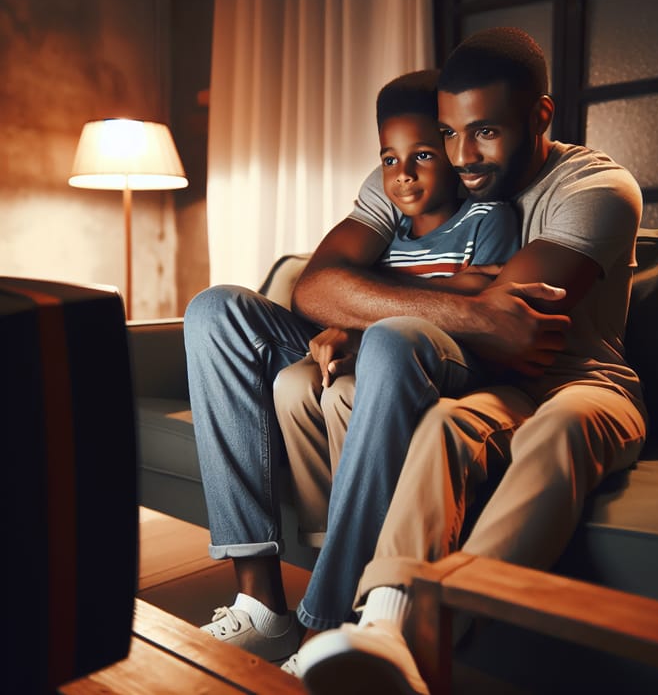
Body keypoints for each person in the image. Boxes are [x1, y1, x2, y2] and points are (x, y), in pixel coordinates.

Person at [292, 27, 647, 695]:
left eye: (484, 131)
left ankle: (426, 640)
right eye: (450, 134)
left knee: (560, 427)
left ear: (540, 115)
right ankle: (380, 625)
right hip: (496, 384)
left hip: (585, 382)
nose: (462, 156)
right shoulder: (442, 176)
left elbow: (515, 326)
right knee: (445, 427)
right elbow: (321, 289)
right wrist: (415, 315)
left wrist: (372, 314)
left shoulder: (596, 187)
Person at [182, 68, 521, 668]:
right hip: (348, 347)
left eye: (420, 154)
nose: (401, 174)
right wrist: (355, 315)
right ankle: (260, 603)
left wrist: (364, 309)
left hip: (425, 361)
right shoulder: (384, 220)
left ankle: (330, 618)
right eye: (389, 158)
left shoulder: (489, 215)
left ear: (451, 148)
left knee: (387, 339)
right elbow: (317, 292)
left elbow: (478, 302)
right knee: (212, 310)